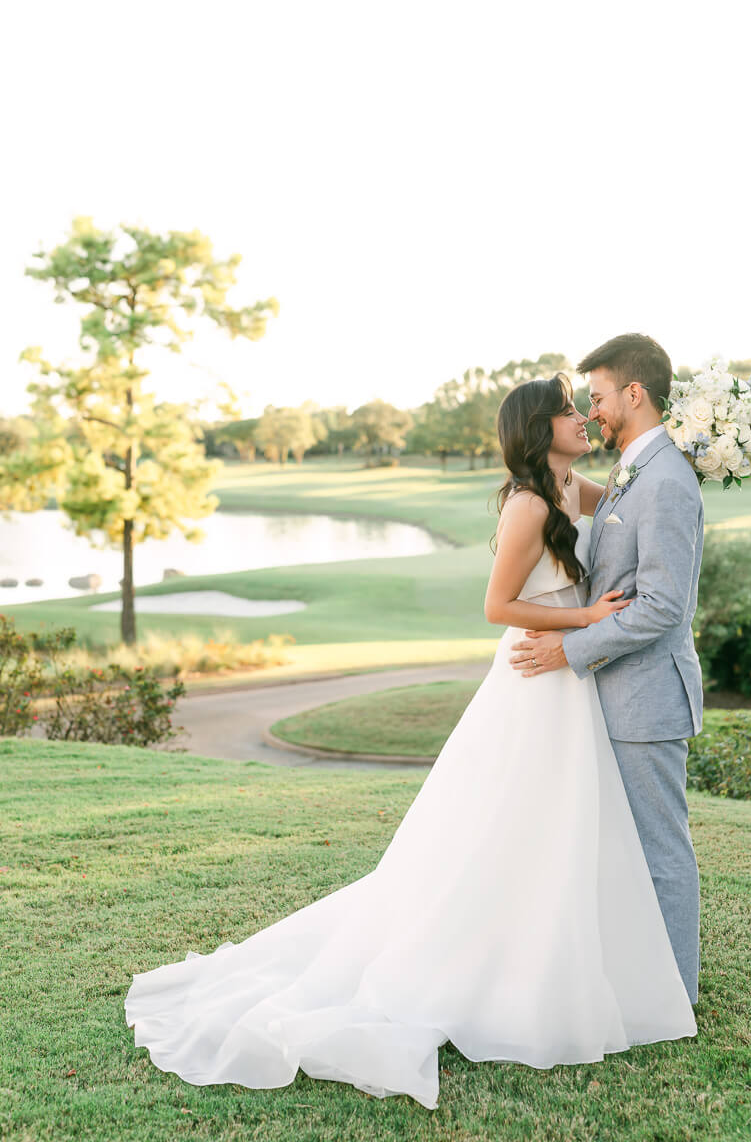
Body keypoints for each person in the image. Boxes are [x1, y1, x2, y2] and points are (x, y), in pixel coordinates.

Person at [125, 368, 697, 1112]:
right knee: (509, 828)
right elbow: (499, 605)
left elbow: (632, 498)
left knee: (559, 832)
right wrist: (588, 622)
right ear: (539, 429)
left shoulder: (575, 488)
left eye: (584, 406)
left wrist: (690, 451)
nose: (581, 418)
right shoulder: (528, 505)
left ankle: (576, 958)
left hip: (572, 687)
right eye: (568, 412)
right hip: (536, 677)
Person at [509, 333, 703, 1007]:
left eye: (596, 398)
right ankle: (623, 975)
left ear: (634, 394)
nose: (590, 413)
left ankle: (675, 993)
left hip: (647, 699)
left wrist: (569, 648)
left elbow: (662, 610)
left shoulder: (669, 482)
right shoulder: (631, 471)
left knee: (660, 854)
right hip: (611, 696)